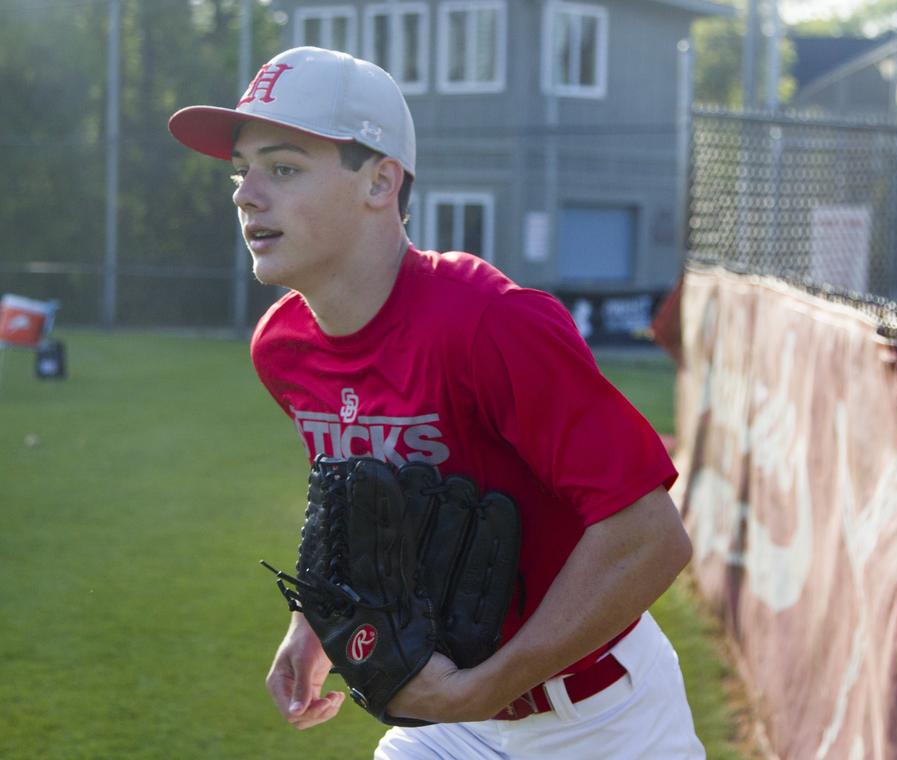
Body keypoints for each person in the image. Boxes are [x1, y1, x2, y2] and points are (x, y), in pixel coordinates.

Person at [168, 46, 703, 759]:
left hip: (602, 719)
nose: (245, 193)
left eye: (284, 167)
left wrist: (485, 687)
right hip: (450, 723)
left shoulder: (491, 324)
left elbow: (649, 537)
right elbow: (368, 503)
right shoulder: (283, 348)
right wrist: (313, 624)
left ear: (381, 181)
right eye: (243, 171)